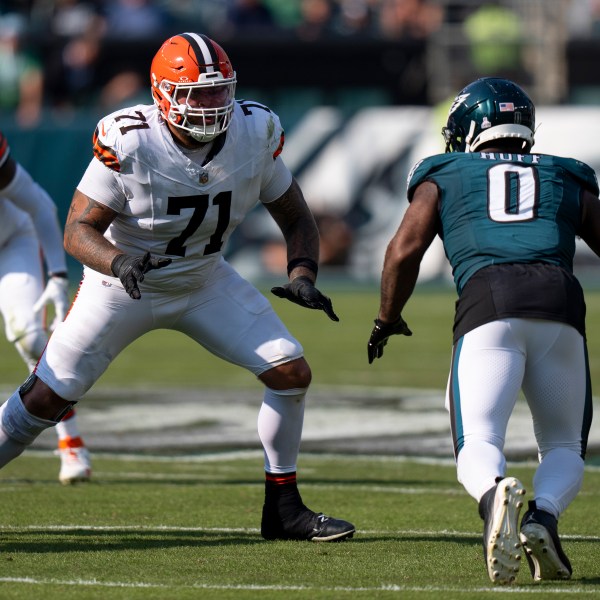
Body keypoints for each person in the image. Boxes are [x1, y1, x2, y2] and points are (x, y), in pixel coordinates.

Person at [0, 32, 355, 542]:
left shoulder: (254, 131)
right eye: (195, 94)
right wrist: (118, 260)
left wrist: (302, 273)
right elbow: (77, 230)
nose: (210, 106)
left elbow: (296, 215)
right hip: (122, 287)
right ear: (162, 93)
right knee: (44, 400)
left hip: (203, 277)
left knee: (290, 371)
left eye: (218, 92)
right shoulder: (131, 139)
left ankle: (283, 510)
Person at [367, 77, 600, 583]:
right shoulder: (564, 175)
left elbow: (403, 251)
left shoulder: (446, 170)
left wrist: (388, 317)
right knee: (564, 445)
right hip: (561, 301)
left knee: (477, 437)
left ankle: (496, 495)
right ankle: (544, 517)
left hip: (490, 297)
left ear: (467, 129)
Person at [0, 130, 92, 484]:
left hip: (11, 241)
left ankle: (71, 439)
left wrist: (56, 275)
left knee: (29, 335)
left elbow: (39, 205)